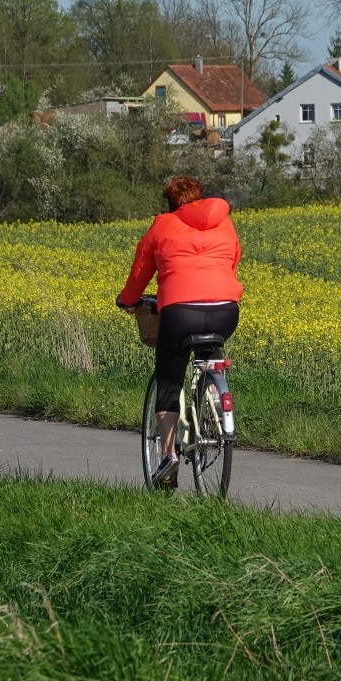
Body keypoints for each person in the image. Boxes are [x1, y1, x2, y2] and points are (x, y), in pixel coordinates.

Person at [116, 176, 242, 487]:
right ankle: (215, 401)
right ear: (199, 199)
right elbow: (232, 262)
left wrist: (128, 301)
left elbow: (139, 274)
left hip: (179, 313)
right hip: (226, 310)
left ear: (171, 203)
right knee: (210, 355)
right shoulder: (225, 224)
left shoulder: (162, 226)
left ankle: (167, 455)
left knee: (170, 381)